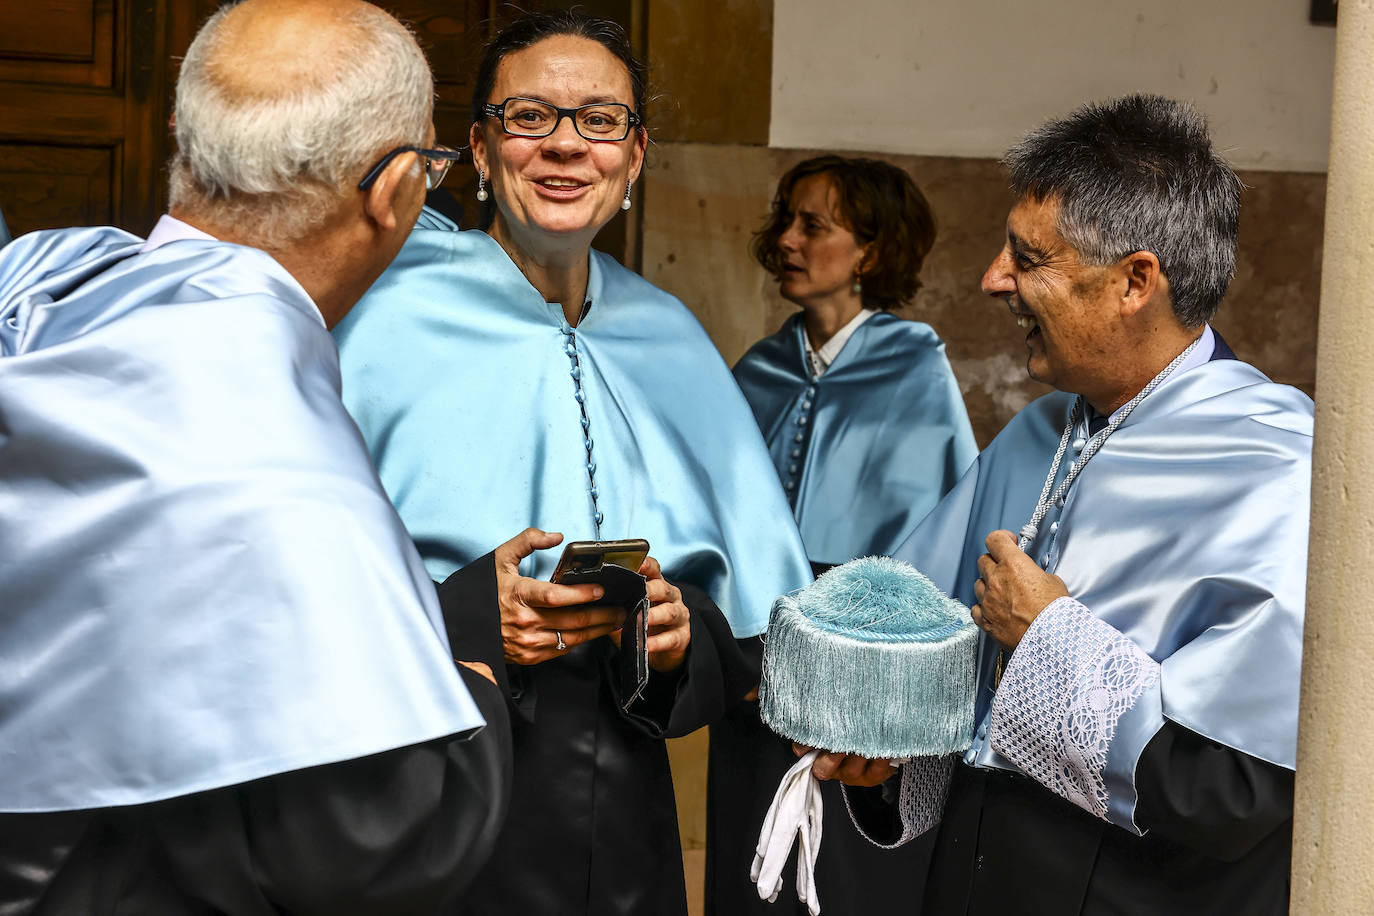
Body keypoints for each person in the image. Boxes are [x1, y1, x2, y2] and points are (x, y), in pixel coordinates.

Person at [0, 1, 568, 911]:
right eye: (432, 167)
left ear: (183, 136)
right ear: (395, 191)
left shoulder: (35, 285)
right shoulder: (286, 463)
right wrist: (471, 670)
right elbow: (368, 844)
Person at [331, 10, 813, 916]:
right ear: (480, 149)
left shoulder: (671, 335)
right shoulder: (378, 317)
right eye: (528, 117)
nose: (565, 145)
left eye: (600, 120)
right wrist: (466, 618)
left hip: (622, 816)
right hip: (426, 791)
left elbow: (742, 620)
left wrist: (673, 638)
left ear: (635, 156)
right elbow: (292, 580)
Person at [820, 95, 1310, 915]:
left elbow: (1235, 790)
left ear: (1134, 282)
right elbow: (959, 691)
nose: (993, 279)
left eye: (1027, 258)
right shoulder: (1037, 433)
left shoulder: (1278, 464)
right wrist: (889, 747)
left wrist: (1045, 635)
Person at [717, 156, 976, 915]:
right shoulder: (758, 369)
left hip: (869, 681)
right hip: (757, 669)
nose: (787, 240)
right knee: (749, 867)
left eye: (813, 225)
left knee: (847, 884)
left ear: (869, 251)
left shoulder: (915, 367)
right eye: (785, 221)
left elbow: (939, 539)